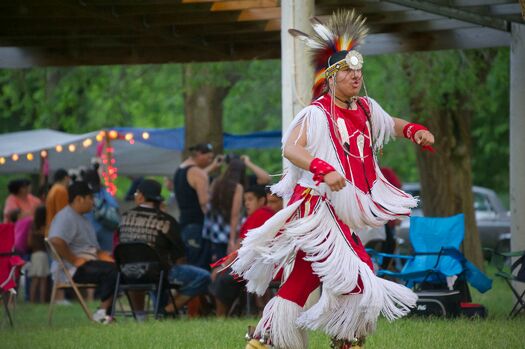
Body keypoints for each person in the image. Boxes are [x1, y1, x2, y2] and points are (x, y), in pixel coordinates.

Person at [233, 10, 435, 349]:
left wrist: (415, 130)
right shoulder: (316, 113)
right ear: (331, 77)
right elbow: (291, 149)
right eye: (347, 71)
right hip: (318, 207)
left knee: (303, 278)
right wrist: (322, 168)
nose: (355, 76)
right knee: (359, 274)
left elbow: (392, 124)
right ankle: (344, 339)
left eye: (358, 70)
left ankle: (270, 338)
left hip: (342, 210)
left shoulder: (366, 109)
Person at [118, 179, 210, 319]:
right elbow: (180, 254)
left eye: (136, 193)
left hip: (126, 273)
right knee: (203, 276)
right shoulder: (166, 220)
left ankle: (141, 316)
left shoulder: (124, 218)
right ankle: (166, 311)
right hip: (158, 274)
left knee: (143, 269)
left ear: (141, 197)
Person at [48, 181, 117, 323]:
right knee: (113, 272)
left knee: (118, 268)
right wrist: (74, 259)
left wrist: (106, 257)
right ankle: (101, 314)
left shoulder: (84, 219)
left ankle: (106, 314)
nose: (93, 202)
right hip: (73, 269)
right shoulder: (65, 216)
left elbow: (95, 249)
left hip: (89, 263)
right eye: (91, 198)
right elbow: (55, 240)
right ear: (79, 199)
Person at [210, 185, 277, 317]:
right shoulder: (264, 215)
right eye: (245, 200)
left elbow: (242, 246)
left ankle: (220, 316)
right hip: (262, 264)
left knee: (222, 277)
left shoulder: (261, 214)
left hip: (256, 265)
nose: (246, 203)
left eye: (250, 199)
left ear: (262, 201)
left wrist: (224, 265)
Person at [173, 143, 218, 267]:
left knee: (188, 261)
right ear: (199, 154)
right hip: (198, 224)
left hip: (184, 222)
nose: (210, 161)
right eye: (209, 157)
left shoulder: (180, 170)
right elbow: (204, 201)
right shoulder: (198, 173)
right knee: (199, 263)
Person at [204, 157, 245, 264]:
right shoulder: (237, 187)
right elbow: (235, 214)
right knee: (228, 265)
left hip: (215, 230)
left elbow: (208, 205)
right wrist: (232, 239)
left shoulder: (216, 183)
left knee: (218, 262)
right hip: (230, 231)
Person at [82, 167, 120, 253]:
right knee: (107, 258)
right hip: (107, 231)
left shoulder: (83, 196)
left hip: (89, 233)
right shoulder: (104, 193)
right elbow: (115, 208)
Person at [27, 206, 49, 303]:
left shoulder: (32, 227)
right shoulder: (44, 228)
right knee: (43, 280)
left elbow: (29, 242)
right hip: (43, 255)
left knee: (34, 280)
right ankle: (42, 300)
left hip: (34, 255)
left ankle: (31, 300)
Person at [45, 169, 70, 236]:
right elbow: (62, 213)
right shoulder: (61, 190)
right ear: (66, 177)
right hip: (58, 232)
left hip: (51, 229)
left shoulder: (53, 189)